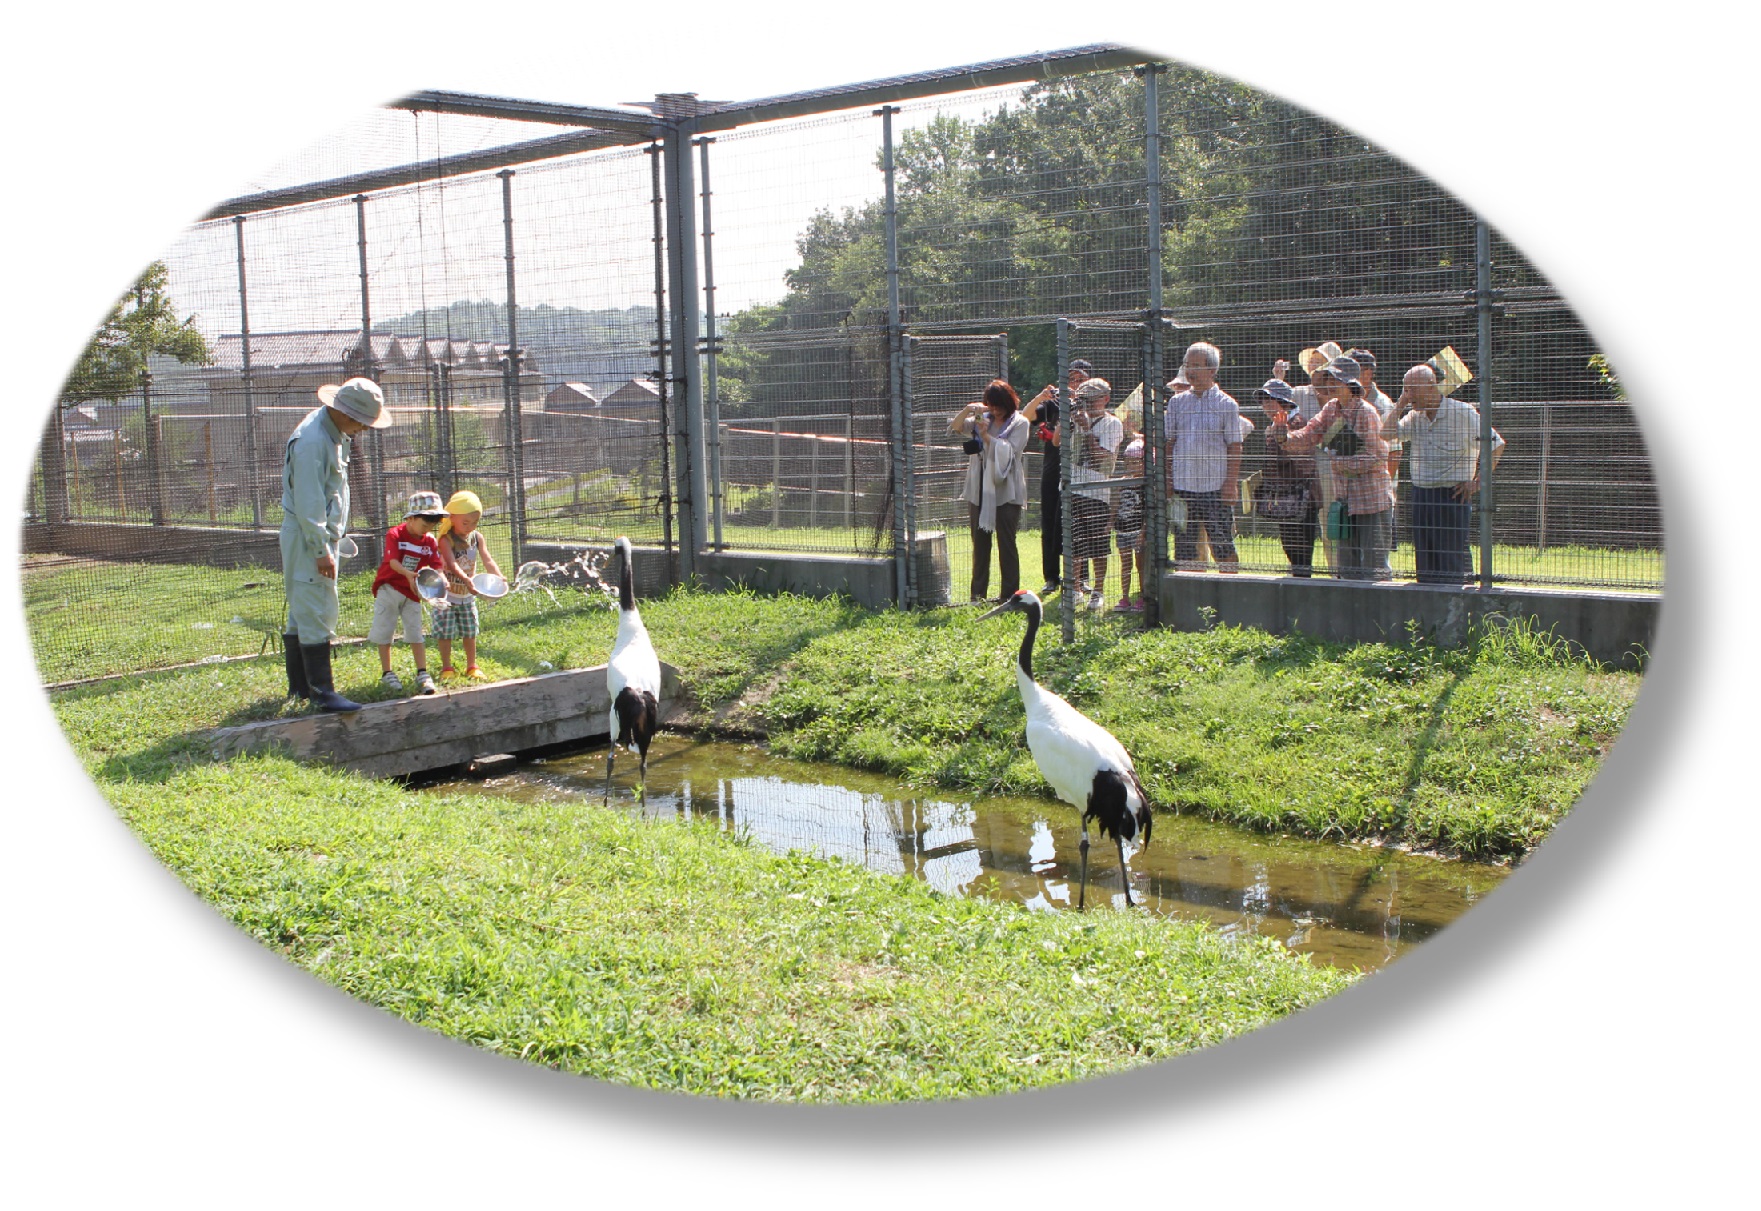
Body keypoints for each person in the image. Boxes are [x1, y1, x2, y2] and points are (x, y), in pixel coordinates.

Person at [280, 377, 393, 713]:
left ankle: (301, 689)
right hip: (307, 536)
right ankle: (322, 693)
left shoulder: (333, 432)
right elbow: (310, 502)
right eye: (362, 422)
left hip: (315, 534)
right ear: (345, 413)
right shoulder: (314, 442)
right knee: (316, 605)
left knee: (303, 609)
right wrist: (321, 550)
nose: (364, 429)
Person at [1384, 362, 1506, 585]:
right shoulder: (1414, 416)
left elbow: (1496, 444)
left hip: (1452, 496)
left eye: (1413, 389)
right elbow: (1385, 434)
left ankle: (1458, 608)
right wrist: (1401, 403)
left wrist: (1478, 482)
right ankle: (1429, 613)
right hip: (1421, 495)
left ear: (1432, 386)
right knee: (1426, 560)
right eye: (1405, 389)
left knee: (1452, 558)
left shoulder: (1462, 413)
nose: (1409, 395)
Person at [1272, 355, 1392, 581]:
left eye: (1335, 379)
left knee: (1376, 567)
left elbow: (1378, 455)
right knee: (1346, 567)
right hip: (1345, 501)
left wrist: (1336, 462)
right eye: (1328, 378)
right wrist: (1285, 437)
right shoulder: (1331, 408)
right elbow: (1308, 435)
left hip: (1372, 500)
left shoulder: (1366, 413)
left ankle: (1382, 616)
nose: (1329, 384)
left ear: (1350, 384)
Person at [1163, 341, 1243, 574]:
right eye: (1188, 365)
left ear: (1212, 370)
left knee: (1222, 545)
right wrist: (1168, 480)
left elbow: (1235, 446)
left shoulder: (1227, 405)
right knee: (1185, 548)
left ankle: (1229, 596)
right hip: (1183, 487)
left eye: (1196, 366)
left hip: (1215, 487)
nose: (1190, 371)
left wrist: (1231, 483)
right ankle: (1192, 601)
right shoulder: (1177, 403)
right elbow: (1169, 444)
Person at [950, 379, 1031, 603]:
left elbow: (1011, 451)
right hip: (979, 488)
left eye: (999, 405)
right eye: (991, 405)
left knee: (1007, 542)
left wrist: (986, 437)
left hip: (1006, 489)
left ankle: (1010, 596)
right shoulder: (981, 419)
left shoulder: (1020, 423)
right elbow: (956, 427)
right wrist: (969, 409)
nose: (994, 410)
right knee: (980, 542)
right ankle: (977, 595)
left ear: (1009, 402)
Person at [1022, 358, 1091, 595]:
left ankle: (1083, 578)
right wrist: (1041, 397)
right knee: (1050, 523)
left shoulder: (1092, 405)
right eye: (1071, 379)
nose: (1075, 383)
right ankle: (1051, 577)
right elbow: (1025, 417)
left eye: (1080, 379)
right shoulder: (1052, 405)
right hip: (1053, 471)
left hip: (1082, 472)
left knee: (1082, 524)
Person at [370, 491, 446, 695]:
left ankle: (422, 673)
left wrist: (440, 579)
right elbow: (392, 562)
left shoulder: (428, 540)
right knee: (385, 630)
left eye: (432, 525)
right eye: (424, 524)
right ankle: (387, 673)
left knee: (415, 631)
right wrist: (408, 574)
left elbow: (436, 565)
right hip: (389, 588)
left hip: (413, 593)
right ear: (411, 518)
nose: (428, 529)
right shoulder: (395, 534)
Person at [432, 489, 506, 679]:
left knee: (470, 631)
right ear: (452, 517)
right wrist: (466, 579)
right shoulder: (445, 539)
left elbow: (487, 559)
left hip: (467, 596)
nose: (470, 526)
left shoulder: (477, 537)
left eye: (474, 522)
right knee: (445, 632)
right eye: (466, 522)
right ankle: (447, 668)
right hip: (447, 596)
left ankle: (472, 665)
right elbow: (451, 563)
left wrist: (499, 576)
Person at [1252, 378, 1321, 576]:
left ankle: (1302, 590)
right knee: (1291, 547)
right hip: (1286, 496)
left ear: (1283, 402)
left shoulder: (1297, 423)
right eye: (1263, 401)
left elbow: (1299, 462)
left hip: (1301, 497)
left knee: (1300, 551)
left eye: (1269, 400)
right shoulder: (1277, 425)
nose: (1265, 405)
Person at [1066, 377, 1122, 609]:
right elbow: (1060, 443)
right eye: (1082, 400)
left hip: (1097, 491)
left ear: (1105, 399)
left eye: (1090, 400)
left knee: (1098, 544)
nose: (1086, 405)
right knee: (1073, 543)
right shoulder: (1074, 419)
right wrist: (1068, 420)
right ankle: (1074, 589)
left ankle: (1097, 591)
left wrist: (1088, 429)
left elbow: (1102, 458)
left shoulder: (1112, 424)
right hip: (1072, 487)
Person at [1348, 347, 1401, 578]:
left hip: (1376, 489)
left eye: (1353, 370)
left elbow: (1394, 451)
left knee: (1376, 554)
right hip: (1352, 487)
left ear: (1368, 372)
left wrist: (1384, 486)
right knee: (1352, 553)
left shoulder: (1382, 404)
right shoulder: (1346, 402)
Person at [1112, 434, 1145, 611]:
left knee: (1141, 565)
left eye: (1135, 462)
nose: (1131, 466)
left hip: (1138, 530)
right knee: (1125, 564)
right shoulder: (1123, 482)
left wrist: (1144, 532)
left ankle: (1142, 596)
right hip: (1122, 529)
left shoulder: (1145, 484)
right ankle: (1124, 598)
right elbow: (1116, 503)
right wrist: (1110, 522)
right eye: (1129, 462)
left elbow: (1149, 511)